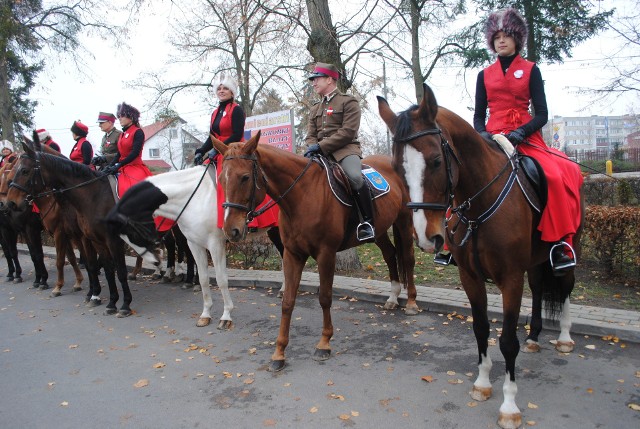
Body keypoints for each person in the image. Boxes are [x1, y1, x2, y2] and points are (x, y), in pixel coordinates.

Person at [473, 8, 583, 274]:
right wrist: (483, 134)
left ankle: (560, 245)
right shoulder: (483, 75)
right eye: (497, 36)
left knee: (557, 176)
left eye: (507, 35)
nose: (501, 40)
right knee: (462, 175)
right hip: (492, 137)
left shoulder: (531, 70)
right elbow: (478, 116)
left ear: (516, 39)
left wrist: (521, 132)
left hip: (526, 136)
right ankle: (454, 244)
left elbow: (542, 114)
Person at [304, 62, 374, 241]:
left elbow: (348, 131)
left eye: (316, 79)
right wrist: (312, 147)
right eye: (312, 80)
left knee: (355, 177)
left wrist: (321, 146)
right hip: (320, 154)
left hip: (345, 150)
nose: (313, 83)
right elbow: (310, 135)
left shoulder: (348, 101)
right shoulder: (315, 109)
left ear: (329, 79)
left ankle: (367, 222)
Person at [102, 102, 152, 198]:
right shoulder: (123, 134)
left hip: (135, 166)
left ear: (131, 117)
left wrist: (119, 165)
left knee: (131, 191)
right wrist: (110, 165)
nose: (119, 118)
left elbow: (134, 153)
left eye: (122, 115)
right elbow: (119, 153)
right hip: (123, 167)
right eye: (119, 116)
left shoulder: (138, 132)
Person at [193, 75, 245, 166]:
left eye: (225, 88)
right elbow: (212, 137)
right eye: (219, 89)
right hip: (218, 150)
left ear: (232, 92)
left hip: (233, 151)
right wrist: (201, 151)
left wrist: (217, 149)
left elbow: (237, 135)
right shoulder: (215, 113)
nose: (221, 91)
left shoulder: (237, 110)